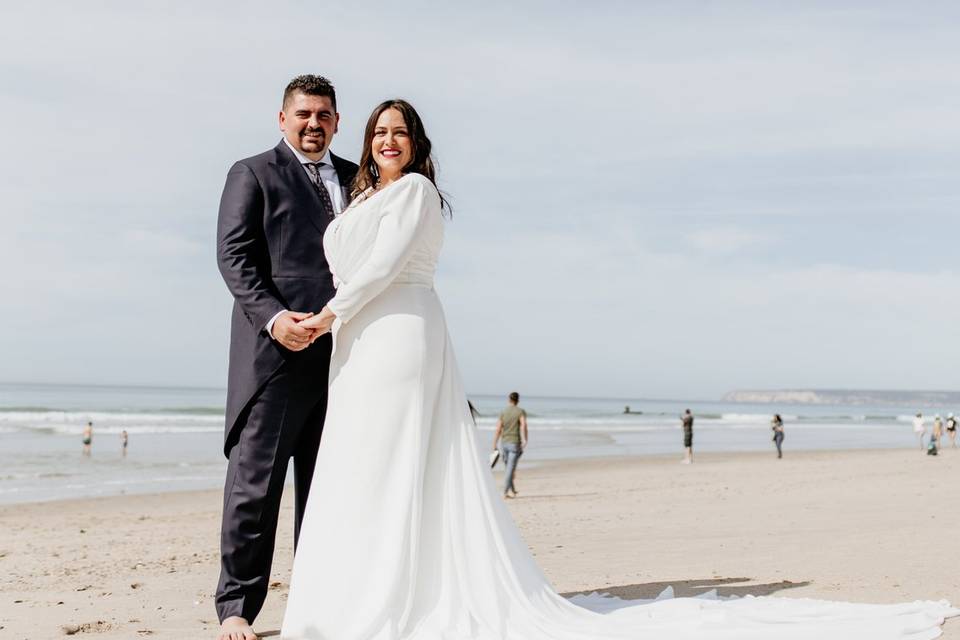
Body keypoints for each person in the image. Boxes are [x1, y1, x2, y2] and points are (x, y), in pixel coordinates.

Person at [278, 100, 956, 640]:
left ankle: (387, 597)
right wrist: (335, 321)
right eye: (379, 132)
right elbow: (351, 259)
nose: (388, 141)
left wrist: (329, 315)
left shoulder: (417, 194)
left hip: (396, 333)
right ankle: (355, 591)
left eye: (400, 132)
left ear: (418, 144)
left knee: (392, 465)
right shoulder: (363, 198)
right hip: (357, 338)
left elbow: (382, 266)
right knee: (358, 463)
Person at [214, 75, 358, 640]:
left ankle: (318, 604)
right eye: (303, 114)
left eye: (323, 114)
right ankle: (236, 610)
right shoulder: (251, 173)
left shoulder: (358, 178)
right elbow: (234, 257)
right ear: (282, 118)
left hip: (344, 360)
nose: (313, 124)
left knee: (328, 492)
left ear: (337, 122)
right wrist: (276, 320)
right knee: (255, 489)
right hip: (274, 358)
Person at [492, 392, 528, 498]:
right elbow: (524, 425)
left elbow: (498, 428)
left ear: (509, 400)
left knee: (508, 468)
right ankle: (505, 492)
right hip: (514, 443)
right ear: (518, 400)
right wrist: (525, 439)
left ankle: (512, 490)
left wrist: (494, 443)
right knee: (510, 469)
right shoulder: (520, 411)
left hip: (504, 443)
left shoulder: (503, 412)